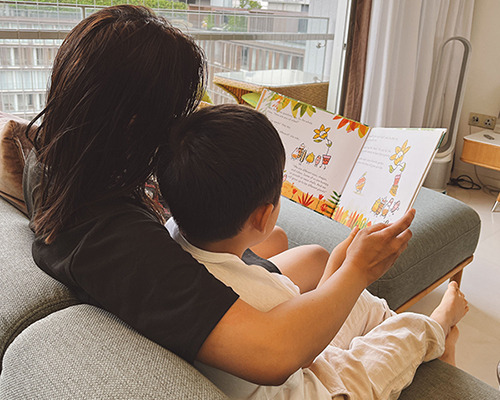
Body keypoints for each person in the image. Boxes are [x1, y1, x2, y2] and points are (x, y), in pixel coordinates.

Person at [23, 4, 431, 387]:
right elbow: (274, 353)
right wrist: (357, 271)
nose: (178, 124)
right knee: (336, 277)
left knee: (297, 249)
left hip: (200, 259)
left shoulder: (58, 156)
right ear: (132, 123)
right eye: (173, 114)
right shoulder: (113, 242)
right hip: (251, 323)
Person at [157, 104, 469, 399]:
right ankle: (438, 327)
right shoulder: (265, 296)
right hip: (320, 385)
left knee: (361, 303)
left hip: (294, 355)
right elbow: (307, 351)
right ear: (262, 216)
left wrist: (339, 273)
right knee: (406, 331)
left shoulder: (172, 234)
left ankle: (415, 345)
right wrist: (349, 269)